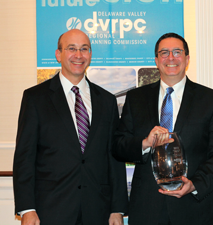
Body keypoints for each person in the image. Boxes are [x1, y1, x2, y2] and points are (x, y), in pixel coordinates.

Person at [112, 32, 213, 225]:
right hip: (147, 208)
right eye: (164, 53)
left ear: (187, 58)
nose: (171, 58)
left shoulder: (211, 99)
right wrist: (145, 143)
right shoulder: (136, 98)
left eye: (177, 52)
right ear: (157, 60)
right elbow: (118, 146)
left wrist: (195, 184)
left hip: (196, 209)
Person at [13, 29, 129, 225]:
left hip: (97, 210)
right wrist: (27, 209)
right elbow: (25, 157)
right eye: (71, 49)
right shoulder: (35, 98)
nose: (78, 55)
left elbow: (114, 157)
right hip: (50, 210)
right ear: (58, 54)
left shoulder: (107, 101)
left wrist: (117, 209)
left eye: (84, 49)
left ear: (90, 55)